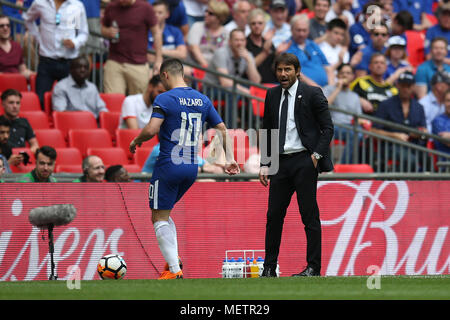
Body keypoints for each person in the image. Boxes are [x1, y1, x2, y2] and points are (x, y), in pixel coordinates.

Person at [129, 58, 240, 279]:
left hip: (169, 165)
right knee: (165, 213)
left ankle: (174, 270)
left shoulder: (164, 98)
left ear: (165, 75)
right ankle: (174, 262)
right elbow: (223, 130)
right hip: (191, 167)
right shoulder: (202, 99)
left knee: (158, 217)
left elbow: (152, 129)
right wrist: (230, 158)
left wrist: (135, 141)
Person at [258, 53, 334, 277]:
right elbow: (267, 129)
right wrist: (265, 163)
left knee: (309, 215)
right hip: (280, 163)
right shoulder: (271, 94)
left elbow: (328, 128)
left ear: (298, 71)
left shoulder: (312, 93)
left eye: (288, 70)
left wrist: (316, 156)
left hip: (304, 161)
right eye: (280, 70)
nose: (283, 74)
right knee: (273, 216)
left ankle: (313, 267)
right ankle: (269, 268)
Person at [22, 0, 89, 108]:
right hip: (46, 61)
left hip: (69, 62)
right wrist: (38, 37)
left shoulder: (76, 6)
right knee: (41, 100)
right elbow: (28, 20)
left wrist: (75, 42)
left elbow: (83, 33)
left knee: (72, 102)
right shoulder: (41, 3)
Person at [101, 0, 163, 95]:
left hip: (138, 64)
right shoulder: (111, 6)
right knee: (113, 101)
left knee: (139, 102)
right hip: (114, 62)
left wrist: (158, 59)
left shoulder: (145, 8)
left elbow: (156, 33)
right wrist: (107, 31)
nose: (121, 1)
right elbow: (102, 28)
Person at [371, 71, 428, 171]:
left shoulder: (419, 107)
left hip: (414, 144)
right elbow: (373, 130)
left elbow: (424, 130)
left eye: (408, 86)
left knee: (430, 161)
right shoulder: (386, 105)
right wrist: (394, 136)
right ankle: (406, 184)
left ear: (413, 87)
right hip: (391, 145)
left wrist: (420, 133)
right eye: (403, 86)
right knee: (411, 160)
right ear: (397, 86)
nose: (405, 89)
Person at [323, 63, 363, 164]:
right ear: (337, 76)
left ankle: (344, 166)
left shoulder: (354, 96)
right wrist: (338, 89)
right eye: (342, 73)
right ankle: (340, 166)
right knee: (355, 134)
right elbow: (323, 107)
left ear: (352, 77)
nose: (345, 75)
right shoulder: (328, 89)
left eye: (348, 73)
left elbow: (359, 116)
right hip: (332, 126)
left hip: (349, 127)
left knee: (358, 134)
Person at [52, 55, 108, 119]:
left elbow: (102, 108)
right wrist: (82, 117)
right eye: (79, 67)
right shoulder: (61, 87)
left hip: (94, 123)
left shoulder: (92, 87)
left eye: (86, 67)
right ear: (71, 69)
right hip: (72, 123)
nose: (82, 70)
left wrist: (104, 116)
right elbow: (60, 112)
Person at [284, 14, 332, 87]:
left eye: (304, 30)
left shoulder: (313, 44)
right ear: (291, 29)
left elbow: (327, 67)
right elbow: (298, 75)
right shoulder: (286, 47)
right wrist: (318, 90)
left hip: (325, 89)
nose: (301, 34)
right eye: (298, 30)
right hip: (306, 90)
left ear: (308, 30)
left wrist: (331, 88)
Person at [186, 0, 230, 68]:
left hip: (216, 69)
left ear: (219, 18)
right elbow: (194, 48)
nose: (206, 14)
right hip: (196, 66)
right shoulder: (198, 26)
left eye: (210, 13)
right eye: (206, 11)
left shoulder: (226, 34)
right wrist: (206, 66)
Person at [246, 8, 278, 84]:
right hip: (254, 86)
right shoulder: (244, 42)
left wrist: (278, 53)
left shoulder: (268, 42)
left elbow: (274, 65)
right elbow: (248, 67)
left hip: (272, 84)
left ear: (264, 25)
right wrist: (265, 52)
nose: (257, 26)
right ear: (249, 25)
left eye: (260, 23)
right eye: (253, 23)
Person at [0, 14, 34, 79]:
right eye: (1, 26)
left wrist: (37, 75)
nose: (5, 28)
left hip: (17, 86)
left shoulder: (17, 46)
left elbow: (23, 71)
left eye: (8, 25)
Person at [432, 89, 450, 157]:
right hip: (445, 163)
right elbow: (448, 142)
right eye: (448, 101)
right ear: (443, 102)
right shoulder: (438, 121)